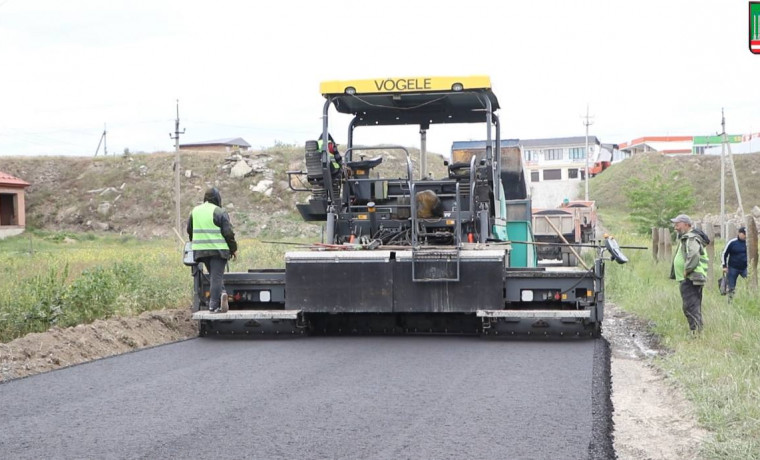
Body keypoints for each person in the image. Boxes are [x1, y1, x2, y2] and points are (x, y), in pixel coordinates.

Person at [186, 187, 238, 313]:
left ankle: (222, 295)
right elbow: (228, 233)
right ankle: (214, 305)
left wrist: (195, 242)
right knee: (216, 277)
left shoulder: (195, 211)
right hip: (218, 251)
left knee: (215, 276)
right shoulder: (219, 212)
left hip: (200, 251)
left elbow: (189, 230)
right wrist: (233, 249)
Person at [670, 214, 709, 335]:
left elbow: (694, 255)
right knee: (693, 306)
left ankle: (695, 332)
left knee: (690, 307)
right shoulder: (687, 237)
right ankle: (697, 331)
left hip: (691, 277)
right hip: (690, 277)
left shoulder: (691, 238)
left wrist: (687, 270)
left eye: (678, 224)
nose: (675, 227)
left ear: (686, 224)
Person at [722, 226, 748, 301]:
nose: (745, 235)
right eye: (743, 234)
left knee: (750, 282)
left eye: (746, 234)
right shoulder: (732, 242)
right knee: (731, 286)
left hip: (745, 268)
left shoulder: (748, 243)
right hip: (733, 268)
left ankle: (750, 298)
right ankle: (730, 301)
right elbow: (724, 254)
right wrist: (724, 266)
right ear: (739, 233)